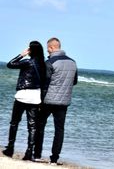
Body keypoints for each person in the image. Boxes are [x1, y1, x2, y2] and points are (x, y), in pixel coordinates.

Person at [33, 37, 78, 165]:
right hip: (63, 102)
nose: (47, 51)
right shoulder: (73, 62)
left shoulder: (50, 62)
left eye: (48, 48)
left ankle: (37, 155)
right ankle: (54, 159)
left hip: (48, 100)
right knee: (59, 130)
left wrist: (40, 100)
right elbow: (74, 81)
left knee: (40, 126)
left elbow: (44, 82)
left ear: (52, 47)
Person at [2, 41, 46, 161]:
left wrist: (22, 54)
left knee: (14, 122)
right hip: (35, 97)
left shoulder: (28, 61)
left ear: (31, 50)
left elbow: (10, 64)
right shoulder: (43, 65)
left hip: (22, 95)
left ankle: (10, 149)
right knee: (32, 126)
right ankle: (29, 153)